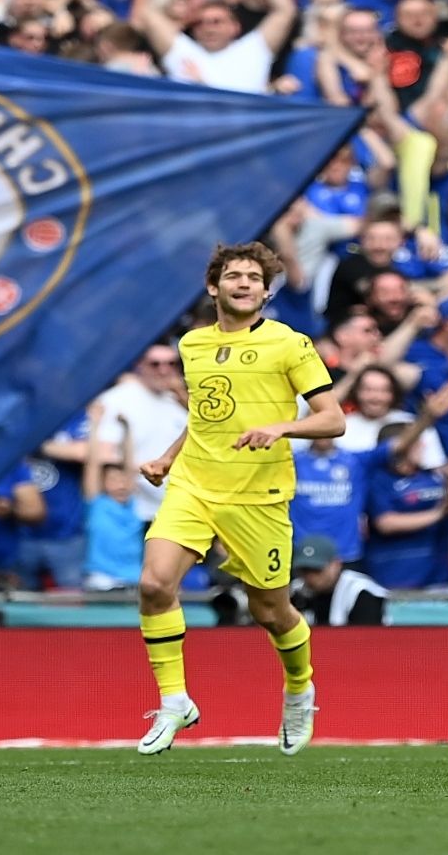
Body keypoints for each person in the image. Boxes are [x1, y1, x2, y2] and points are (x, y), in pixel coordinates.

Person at [133, 242, 346, 757]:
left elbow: (333, 419)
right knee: (154, 585)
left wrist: (282, 427)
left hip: (258, 495)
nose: (244, 283)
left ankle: (299, 688)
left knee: (270, 611)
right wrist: (168, 457)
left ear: (267, 292)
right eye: (234, 276)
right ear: (214, 287)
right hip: (194, 485)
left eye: (254, 277)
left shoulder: (289, 343)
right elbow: (206, 417)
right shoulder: (192, 344)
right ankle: (174, 700)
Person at [290, 534, 389, 627]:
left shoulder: (360, 591)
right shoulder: (296, 591)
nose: (310, 577)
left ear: (336, 565)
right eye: (305, 570)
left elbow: (367, 636)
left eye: (317, 570)